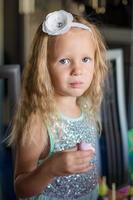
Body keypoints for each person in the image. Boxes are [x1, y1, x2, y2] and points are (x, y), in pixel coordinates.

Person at [9, 10, 107, 200]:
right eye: (64, 61)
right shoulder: (39, 121)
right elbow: (21, 189)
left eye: (85, 59)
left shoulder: (86, 110)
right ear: (44, 67)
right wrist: (50, 169)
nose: (77, 70)